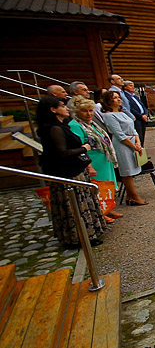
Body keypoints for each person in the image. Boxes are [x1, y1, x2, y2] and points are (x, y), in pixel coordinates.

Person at [37, 96, 107, 249]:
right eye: (62, 106)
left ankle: (88, 233)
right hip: (67, 173)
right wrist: (84, 148)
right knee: (73, 206)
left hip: (76, 169)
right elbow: (62, 152)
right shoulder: (54, 129)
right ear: (53, 109)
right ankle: (78, 237)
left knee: (82, 203)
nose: (66, 108)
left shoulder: (62, 126)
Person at [68, 97, 122, 223]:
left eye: (91, 110)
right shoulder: (75, 126)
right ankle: (101, 212)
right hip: (93, 160)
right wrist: (89, 165)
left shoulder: (92, 123)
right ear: (77, 112)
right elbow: (79, 147)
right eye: (84, 111)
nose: (89, 114)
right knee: (97, 187)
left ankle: (108, 207)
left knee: (107, 185)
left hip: (103, 159)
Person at [100, 91, 148, 206]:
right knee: (127, 170)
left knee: (133, 167)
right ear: (108, 101)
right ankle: (133, 195)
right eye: (114, 98)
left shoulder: (122, 112)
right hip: (122, 144)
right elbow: (119, 135)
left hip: (133, 141)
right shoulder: (108, 115)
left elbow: (133, 128)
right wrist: (134, 146)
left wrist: (138, 142)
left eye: (118, 97)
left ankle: (130, 195)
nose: (118, 99)